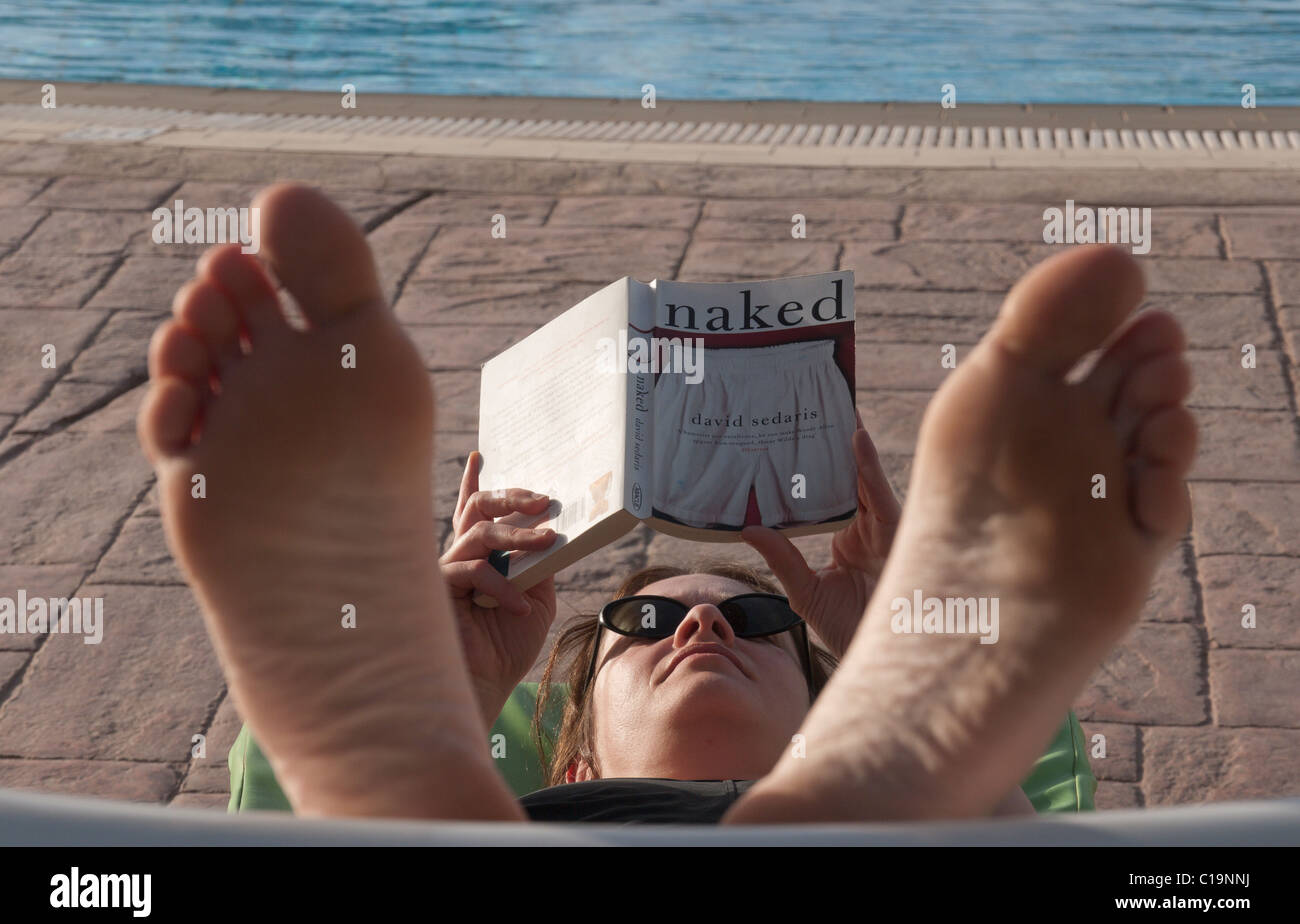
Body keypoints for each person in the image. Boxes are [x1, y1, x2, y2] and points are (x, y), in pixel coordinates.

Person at [138, 183, 1196, 824]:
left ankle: (396, 807)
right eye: (640, 623)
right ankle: (926, 798)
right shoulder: (549, 794)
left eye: (757, 619)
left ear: (822, 724)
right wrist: (453, 684)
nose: (697, 620)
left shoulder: (531, 802)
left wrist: (886, 652)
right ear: (576, 755)